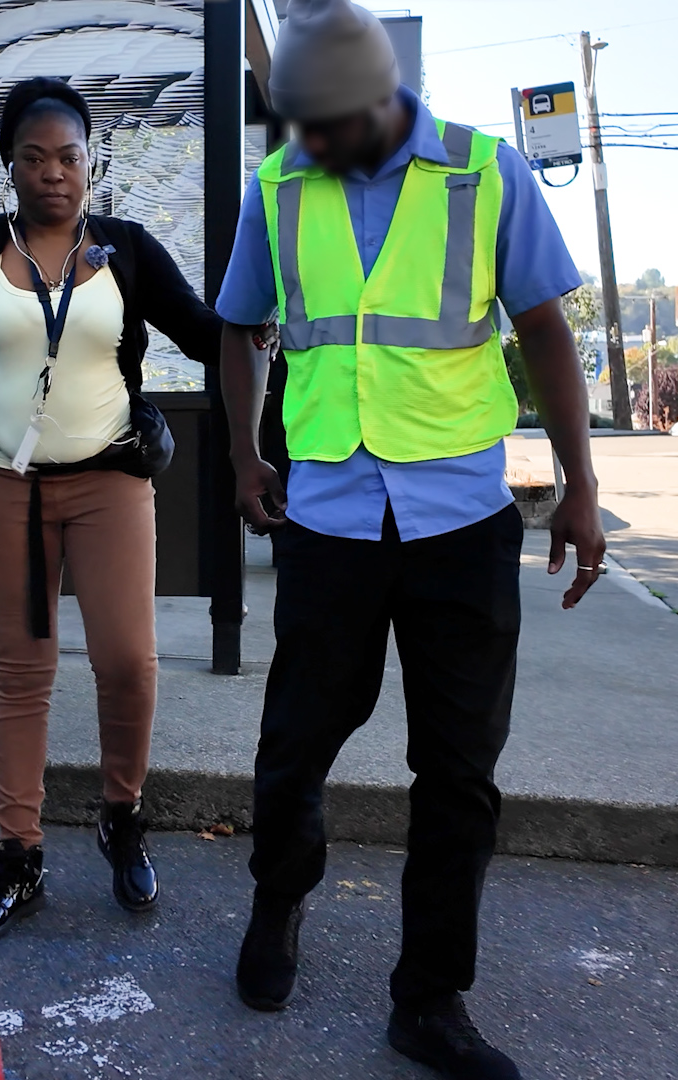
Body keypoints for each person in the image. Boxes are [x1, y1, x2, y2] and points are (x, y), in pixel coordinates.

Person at [215, 2, 605, 1077]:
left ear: (375, 101)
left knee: (459, 768)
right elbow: (238, 324)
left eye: (322, 126)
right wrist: (246, 460)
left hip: (462, 523)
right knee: (297, 740)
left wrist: (579, 482)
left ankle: (429, 998)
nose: (308, 145)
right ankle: (277, 905)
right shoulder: (281, 187)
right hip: (330, 519)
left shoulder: (485, 176)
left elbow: (543, 331)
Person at [0, 77, 232, 944]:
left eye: (70, 156)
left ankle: (122, 815)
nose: (55, 173)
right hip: (5, 486)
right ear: (9, 165)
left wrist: (264, 318)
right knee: (22, 669)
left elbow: (204, 332)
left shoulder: (126, 249)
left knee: (128, 660)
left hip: (111, 479)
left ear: (91, 162)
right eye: (36, 157)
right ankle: (20, 853)